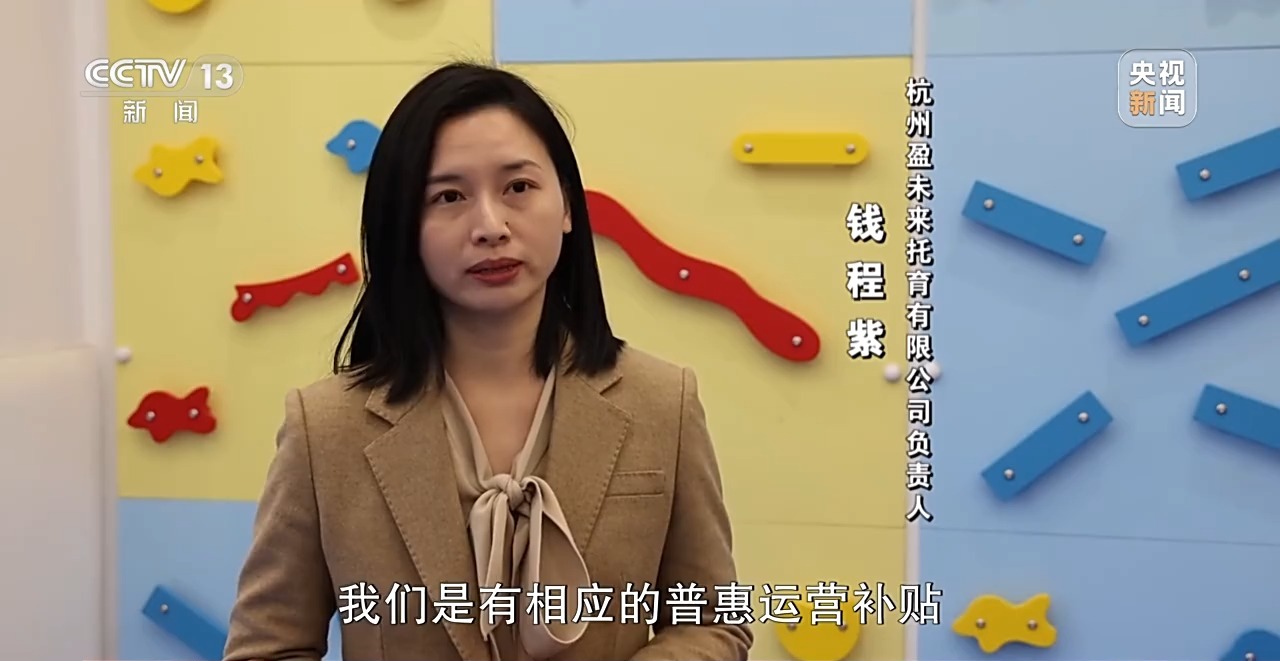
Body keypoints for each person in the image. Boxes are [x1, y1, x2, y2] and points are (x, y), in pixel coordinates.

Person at [222, 62, 752, 661]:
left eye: (518, 187)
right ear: (403, 227)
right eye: (448, 197)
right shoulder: (324, 428)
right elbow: (267, 647)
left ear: (568, 205)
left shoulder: (662, 401)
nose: (490, 226)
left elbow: (715, 624)